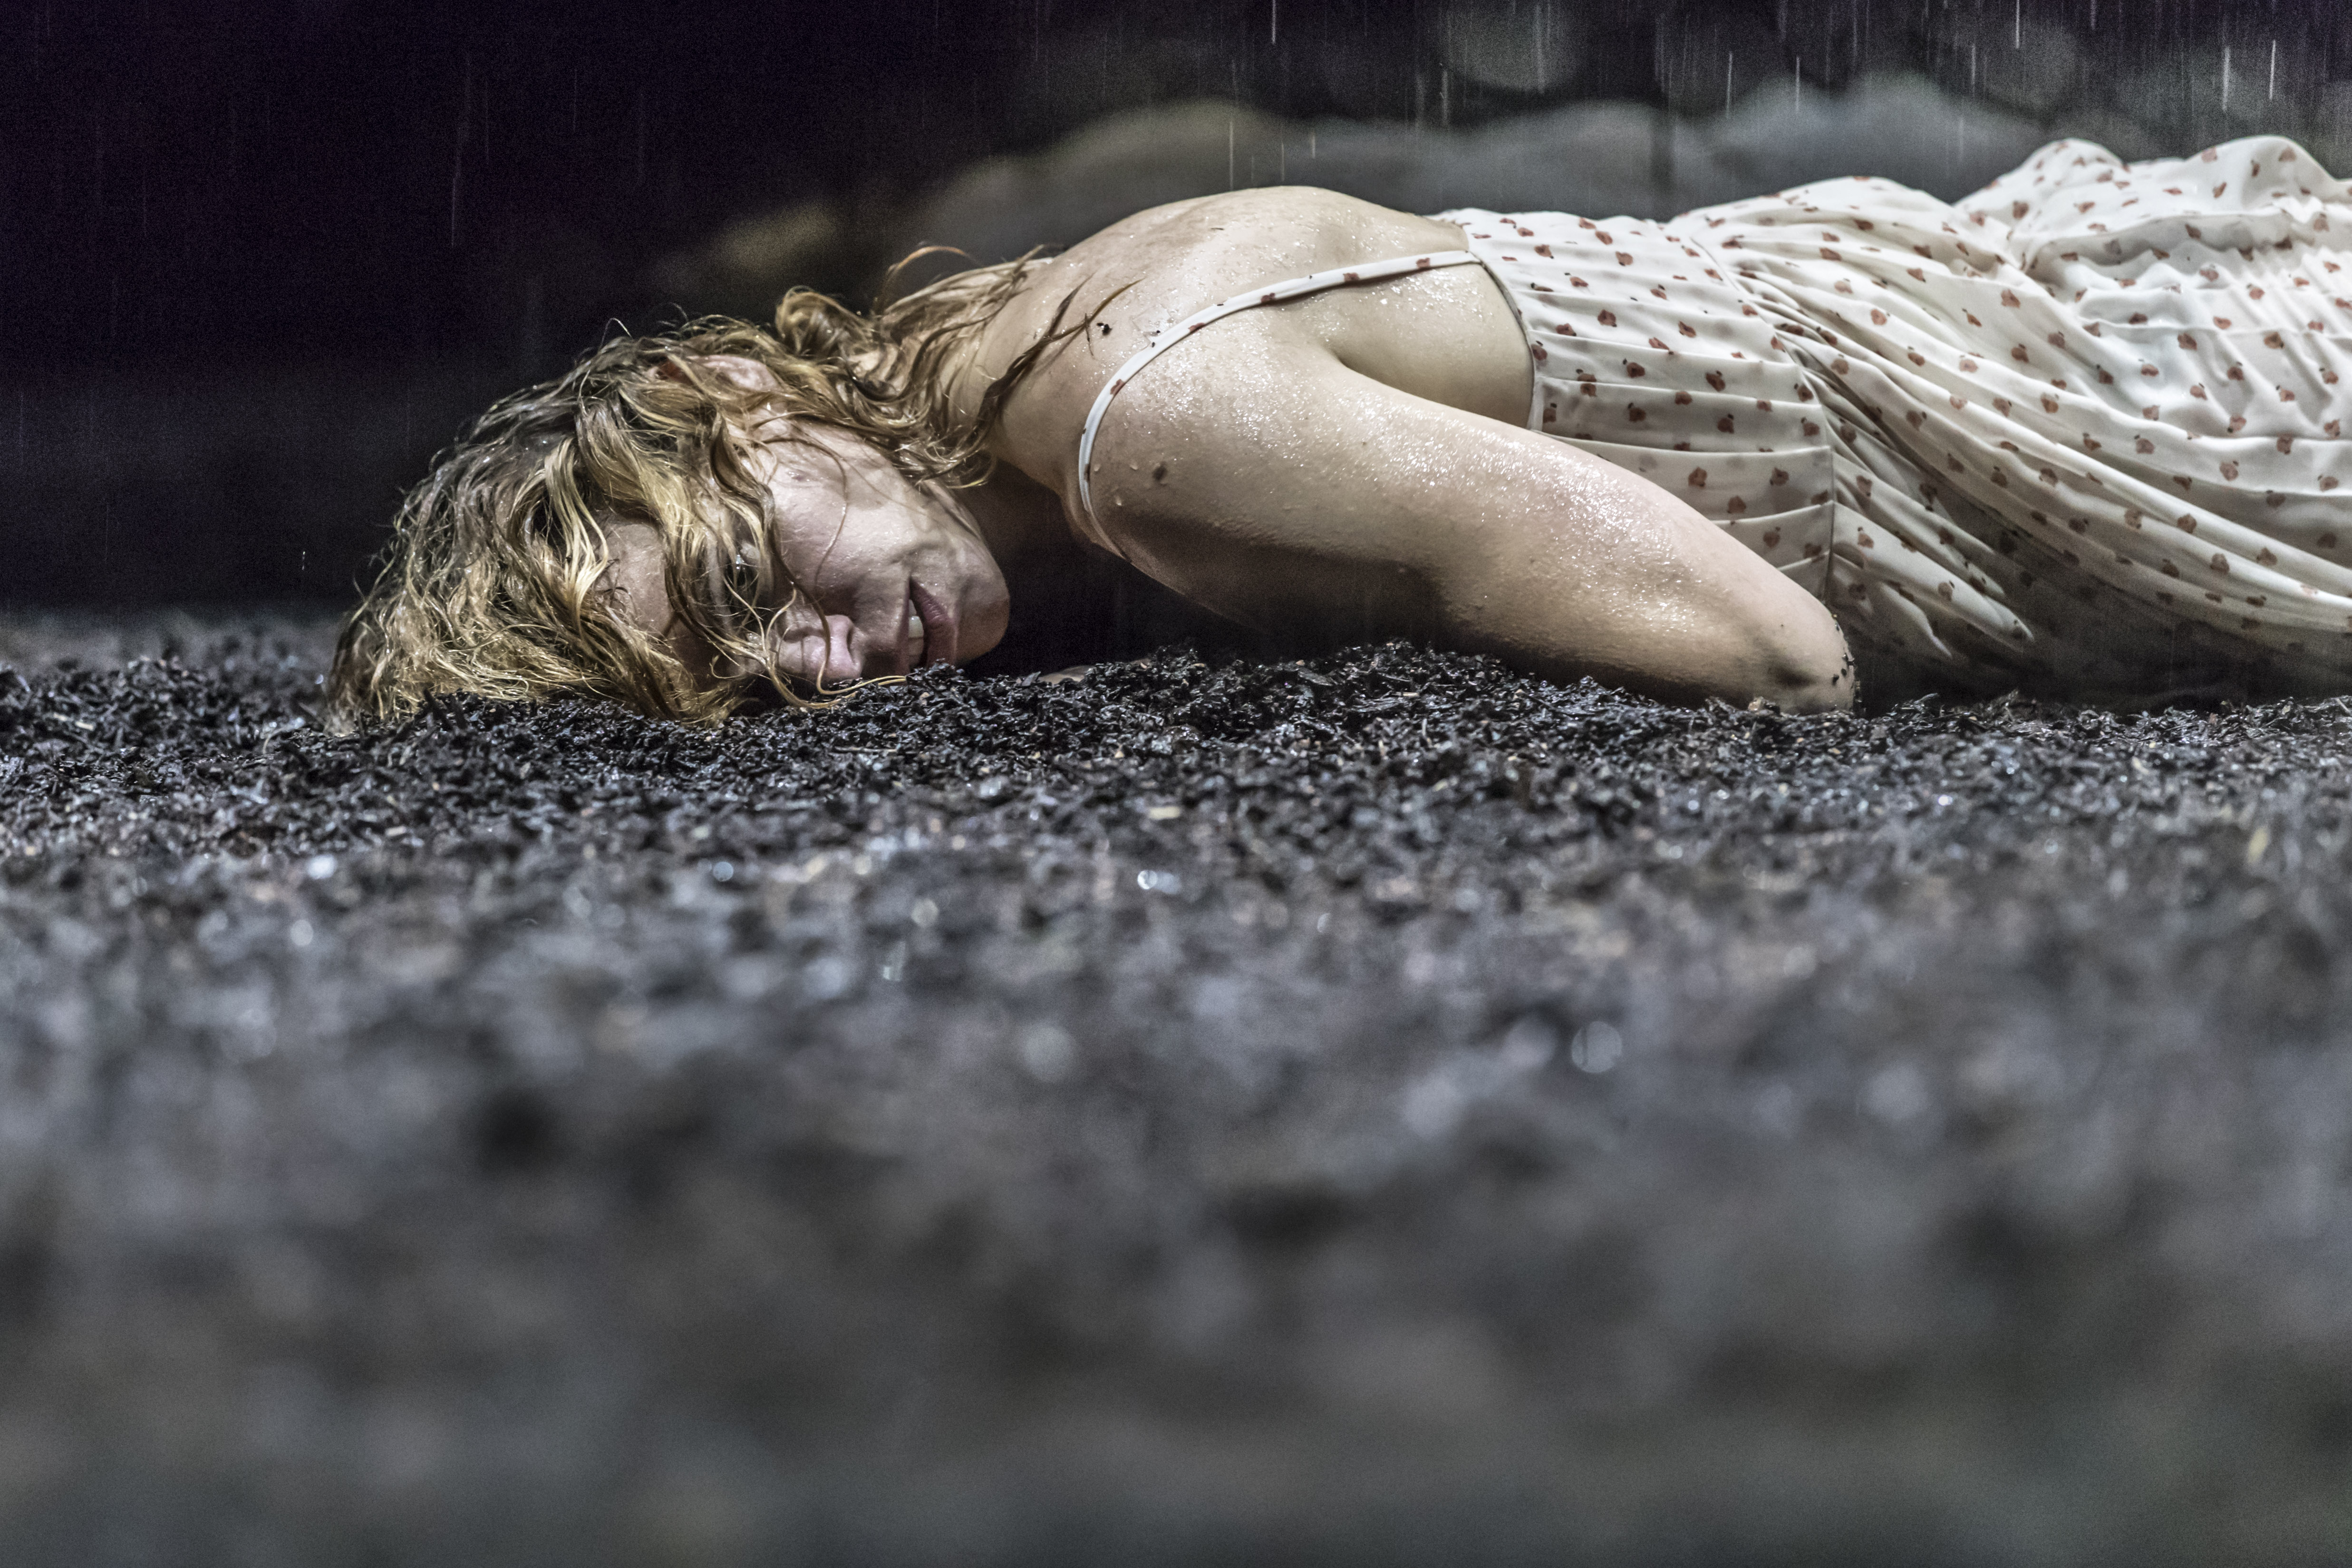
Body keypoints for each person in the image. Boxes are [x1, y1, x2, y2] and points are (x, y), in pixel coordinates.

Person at [329, 133, 2352, 726]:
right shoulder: (1034, 378)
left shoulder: (1134, 423)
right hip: (2027, 307)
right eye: (747, 678)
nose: (814, 656)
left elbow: (1767, 649)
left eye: (753, 576)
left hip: (2118, 419)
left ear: (731, 396)